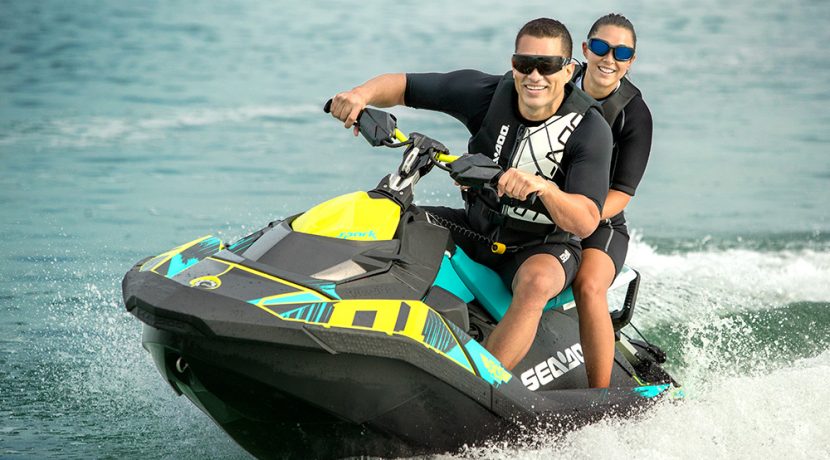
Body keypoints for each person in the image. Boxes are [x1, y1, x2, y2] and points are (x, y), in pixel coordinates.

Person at [329, 18, 612, 371]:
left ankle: (484, 383)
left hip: (542, 247)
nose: (534, 76)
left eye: (547, 65)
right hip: (476, 229)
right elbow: (404, 86)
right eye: (525, 64)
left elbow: (585, 221)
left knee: (537, 284)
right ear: (513, 65)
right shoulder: (488, 95)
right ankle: (335, 312)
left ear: (568, 70)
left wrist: (545, 187)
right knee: (391, 217)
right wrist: (360, 95)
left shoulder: (590, 129)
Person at [570, 13, 653, 388]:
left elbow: (622, 194)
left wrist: (576, 215)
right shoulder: (556, 83)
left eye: (621, 53)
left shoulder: (634, 114)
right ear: (586, 48)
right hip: (538, 210)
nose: (609, 59)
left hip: (600, 224)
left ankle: (600, 398)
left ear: (631, 61)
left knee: (589, 286)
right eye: (601, 47)